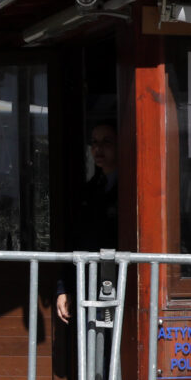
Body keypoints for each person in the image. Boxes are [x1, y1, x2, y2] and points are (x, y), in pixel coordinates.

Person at [56, 120, 119, 322]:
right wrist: (64, 288)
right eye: (94, 142)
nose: (98, 148)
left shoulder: (132, 188)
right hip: (93, 284)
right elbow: (76, 239)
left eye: (106, 142)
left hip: (124, 284)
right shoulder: (88, 191)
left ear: (121, 143)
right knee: (96, 341)